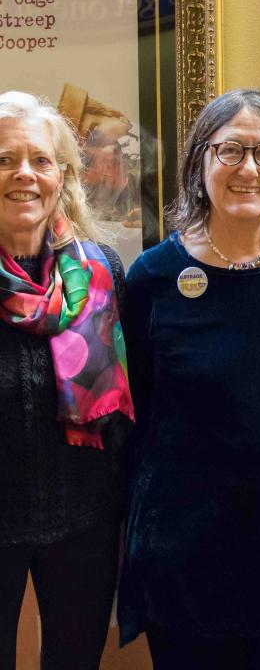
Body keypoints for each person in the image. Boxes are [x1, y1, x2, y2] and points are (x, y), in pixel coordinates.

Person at [118, 89, 260, 670]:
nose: (248, 168)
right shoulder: (154, 276)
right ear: (200, 162)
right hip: (183, 553)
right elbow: (138, 411)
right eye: (231, 150)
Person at [0, 91, 133, 669]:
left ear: (63, 176)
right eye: (5, 159)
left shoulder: (103, 271)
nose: (24, 174)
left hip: (85, 520)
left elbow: (134, 403)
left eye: (41, 160)